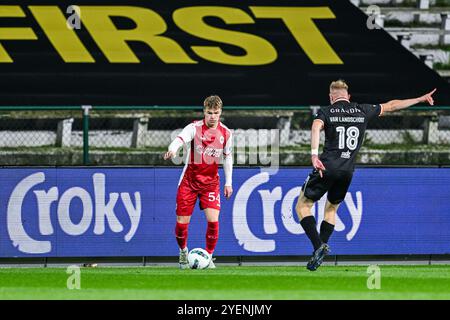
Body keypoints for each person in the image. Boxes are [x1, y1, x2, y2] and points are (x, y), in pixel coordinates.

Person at [296, 80, 436, 271]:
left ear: (331, 97)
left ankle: (318, 246)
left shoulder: (326, 112)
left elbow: (315, 127)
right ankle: (319, 250)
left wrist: (313, 155)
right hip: (347, 171)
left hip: (326, 167)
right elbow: (392, 105)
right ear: (349, 96)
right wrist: (420, 98)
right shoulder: (362, 110)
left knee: (303, 205)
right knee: (331, 210)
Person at [163, 95, 233, 269]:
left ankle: (208, 256)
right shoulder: (194, 128)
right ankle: (183, 251)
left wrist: (228, 182)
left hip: (210, 183)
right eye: (209, 112)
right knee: (181, 223)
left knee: (213, 220)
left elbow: (228, 157)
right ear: (204, 112)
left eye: (216, 113)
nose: (212, 116)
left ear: (220, 113)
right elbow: (180, 139)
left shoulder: (226, 133)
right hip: (189, 182)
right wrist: (172, 150)